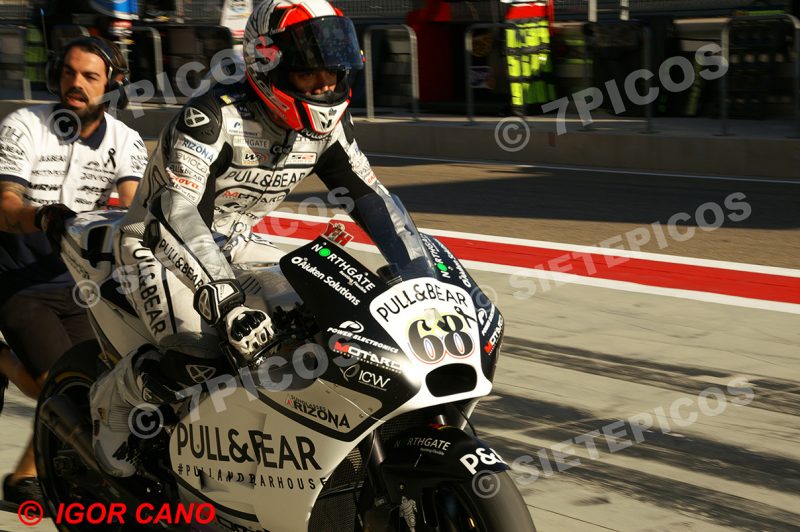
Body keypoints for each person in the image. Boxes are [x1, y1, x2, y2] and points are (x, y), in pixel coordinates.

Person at [90, 0, 429, 477]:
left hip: (238, 243)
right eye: (310, 72)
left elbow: (371, 197)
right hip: (156, 244)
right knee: (202, 353)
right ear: (269, 64)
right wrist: (226, 302)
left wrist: (421, 272)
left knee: (328, 326)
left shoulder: (329, 126)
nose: (325, 84)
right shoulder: (211, 117)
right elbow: (176, 212)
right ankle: (115, 399)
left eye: (332, 71)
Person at [0, 35, 146, 503]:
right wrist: (43, 217)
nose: (75, 84)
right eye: (68, 72)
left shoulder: (125, 140)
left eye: (89, 76)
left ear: (113, 86)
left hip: (81, 283)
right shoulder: (24, 125)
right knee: (53, 383)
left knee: (93, 390)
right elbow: (5, 206)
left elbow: (137, 209)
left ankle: (24, 478)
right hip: (16, 280)